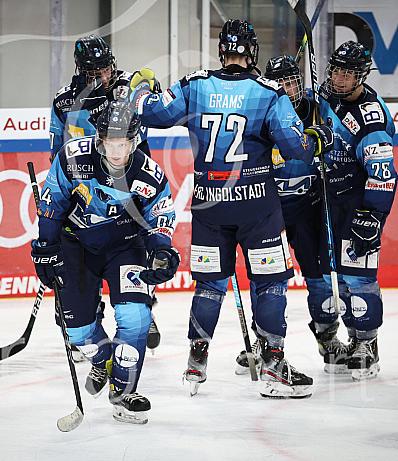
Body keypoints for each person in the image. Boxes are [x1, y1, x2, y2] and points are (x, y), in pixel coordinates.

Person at [128, 20, 333, 399]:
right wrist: (317, 137)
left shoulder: (195, 85)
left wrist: (141, 88)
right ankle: (273, 366)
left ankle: (196, 362)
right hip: (258, 210)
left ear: (222, 50)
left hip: (209, 208)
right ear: (252, 53)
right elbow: (297, 150)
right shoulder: (268, 92)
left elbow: (150, 113)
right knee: (269, 284)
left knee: (208, 287)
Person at [31, 100, 180, 423]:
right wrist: (46, 246)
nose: (116, 152)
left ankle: (124, 392)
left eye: (123, 143)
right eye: (110, 143)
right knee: (78, 330)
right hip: (76, 246)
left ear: (134, 140)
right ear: (99, 139)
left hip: (126, 245)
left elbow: (161, 214)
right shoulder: (72, 159)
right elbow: (51, 204)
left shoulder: (147, 173)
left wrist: (162, 248)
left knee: (136, 317)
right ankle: (102, 360)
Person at [234, 54, 347, 376]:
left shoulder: (317, 105)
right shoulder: (260, 110)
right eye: (280, 83)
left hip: (309, 208)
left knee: (321, 277)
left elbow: (338, 117)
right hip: (269, 211)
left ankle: (328, 337)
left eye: (293, 82)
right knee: (265, 279)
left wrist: (324, 136)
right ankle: (263, 341)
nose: (287, 88)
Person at [50, 34, 163, 352]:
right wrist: (60, 189)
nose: (104, 75)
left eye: (106, 68)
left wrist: (145, 83)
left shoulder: (125, 87)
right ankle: (90, 313)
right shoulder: (63, 101)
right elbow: (55, 151)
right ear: (81, 70)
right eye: (95, 71)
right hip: (88, 191)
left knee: (135, 251)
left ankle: (143, 303)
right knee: (85, 257)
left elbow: (149, 85)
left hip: (133, 184)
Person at [316, 41, 397, 381]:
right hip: (328, 200)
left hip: (356, 203)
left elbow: (383, 174)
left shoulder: (370, 118)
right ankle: (350, 339)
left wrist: (374, 215)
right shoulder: (325, 97)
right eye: (335, 70)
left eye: (347, 73)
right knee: (335, 276)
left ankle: (367, 343)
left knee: (359, 276)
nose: (339, 78)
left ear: (361, 76)